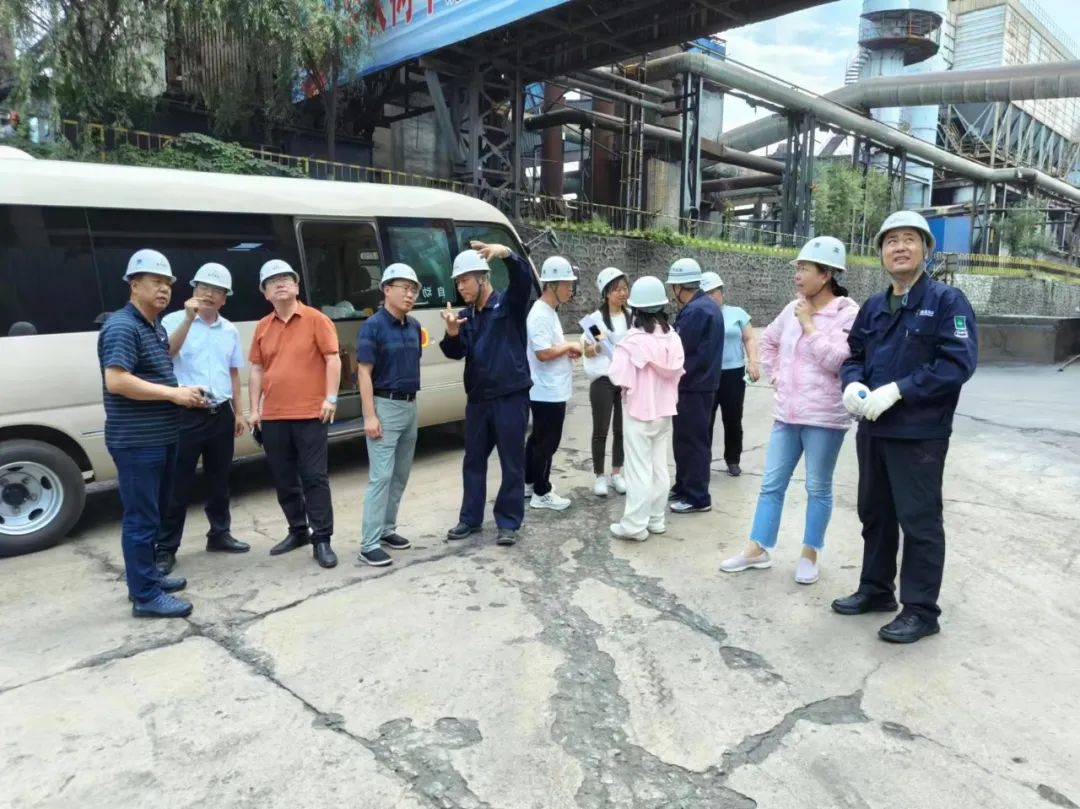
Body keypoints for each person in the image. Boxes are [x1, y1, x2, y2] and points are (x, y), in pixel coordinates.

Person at [834, 211, 978, 644]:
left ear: (926, 250)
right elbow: (855, 353)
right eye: (891, 240)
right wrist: (852, 383)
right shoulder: (874, 307)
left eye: (909, 239)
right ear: (881, 252)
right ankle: (877, 589)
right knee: (875, 513)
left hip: (919, 433)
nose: (899, 247)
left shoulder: (947, 302)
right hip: (874, 427)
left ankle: (920, 610)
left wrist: (901, 389)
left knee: (919, 521)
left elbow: (957, 363)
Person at [718, 237, 858, 585]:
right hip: (787, 415)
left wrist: (809, 325)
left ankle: (810, 554)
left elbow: (838, 360)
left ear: (826, 274)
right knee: (771, 484)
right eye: (797, 268)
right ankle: (757, 548)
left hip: (824, 418)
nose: (797, 275)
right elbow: (768, 341)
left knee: (818, 487)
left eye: (804, 269)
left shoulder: (847, 313)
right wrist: (778, 376)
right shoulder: (792, 307)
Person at [97, 249, 208, 618]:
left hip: (161, 436)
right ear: (134, 285)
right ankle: (144, 596)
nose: (164, 289)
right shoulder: (122, 327)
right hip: (137, 441)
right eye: (156, 282)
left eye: (168, 284)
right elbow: (117, 381)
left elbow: (164, 355)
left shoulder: (152, 325)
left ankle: (148, 578)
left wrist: (188, 322)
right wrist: (174, 394)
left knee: (155, 514)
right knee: (141, 519)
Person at [155, 263, 250, 574]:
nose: (209, 294)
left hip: (220, 413)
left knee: (219, 480)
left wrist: (239, 412)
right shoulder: (172, 321)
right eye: (203, 287)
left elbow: (232, 373)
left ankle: (220, 534)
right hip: (185, 414)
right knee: (177, 484)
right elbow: (166, 354)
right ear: (193, 290)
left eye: (217, 290)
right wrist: (188, 319)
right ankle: (166, 548)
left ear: (225, 298)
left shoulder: (229, 330)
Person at [248, 259, 341, 569]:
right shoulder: (262, 326)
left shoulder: (316, 319)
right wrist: (254, 409)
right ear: (264, 293)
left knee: (314, 477)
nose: (280, 283)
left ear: (297, 286)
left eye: (286, 278)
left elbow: (332, 359)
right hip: (273, 416)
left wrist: (330, 398)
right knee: (284, 479)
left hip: (311, 413)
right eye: (272, 281)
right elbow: (257, 369)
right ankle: (298, 530)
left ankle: (322, 539)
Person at [440, 241, 534, 546]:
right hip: (479, 400)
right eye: (457, 282)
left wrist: (506, 254)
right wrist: (452, 334)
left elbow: (522, 280)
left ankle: (508, 522)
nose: (460, 287)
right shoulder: (466, 316)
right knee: (474, 461)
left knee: (511, 462)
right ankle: (470, 518)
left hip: (510, 396)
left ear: (483, 278)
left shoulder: (508, 305)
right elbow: (457, 352)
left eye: (465, 280)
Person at [355, 263, 423, 567]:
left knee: (400, 474)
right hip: (385, 405)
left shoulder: (414, 326)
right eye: (404, 288)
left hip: (410, 405)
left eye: (414, 290)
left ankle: (387, 529)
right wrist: (370, 416)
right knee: (381, 477)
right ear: (386, 290)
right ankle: (369, 544)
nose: (410, 295)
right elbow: (364, 372)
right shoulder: (373, 326)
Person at [607, 276, 685, 540]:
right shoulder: (673, 337)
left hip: (638, 411)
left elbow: (616, 376)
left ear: (637, 308)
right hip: (665, 411)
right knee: (659, 467)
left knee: (638, 469)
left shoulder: (632, 340)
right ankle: (656, 519)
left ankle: (634, 526)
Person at [666, 257, 725, 514]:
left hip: (693, 385)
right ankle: (684, 485)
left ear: (679, 287)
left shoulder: (696, 311)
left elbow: (678, 348)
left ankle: (697, 496)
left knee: (693, 442)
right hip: (699, 385)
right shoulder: (707, 306)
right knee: (686, 440)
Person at [525, 256, 581, 512]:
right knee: (547, 442)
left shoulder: (549, 312)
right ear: (551, 285)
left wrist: (565, 349)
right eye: (567, 284)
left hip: (550, 387)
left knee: (538, 439)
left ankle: (530, 481)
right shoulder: (540, 314)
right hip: (546, 390)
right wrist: (569, 346)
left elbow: (551, 348)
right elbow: (543, 353)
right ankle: (541, 491)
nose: (571, 289)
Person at [701, 272, 760, 477]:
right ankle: (702, 460)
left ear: (722, 292)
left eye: (714, 292)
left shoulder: (737, 313)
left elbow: (749, 338)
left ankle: (733, 459)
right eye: (706, 294)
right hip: (708, 373)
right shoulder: (700, 315)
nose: (711, 297)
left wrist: (753, 362)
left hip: (733, 373)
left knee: (733, 418)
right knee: (706, 419)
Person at [582, 266, 631, 497]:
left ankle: (617, 474)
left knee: (621, 429)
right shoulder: (595, 320)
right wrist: (597, 347)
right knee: (600, 429)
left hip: (626, 379)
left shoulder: (632, 317)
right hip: (603, 379)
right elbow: (586, 350)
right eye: (617, 289)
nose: (622, 293)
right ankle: (599, 476)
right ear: (606, 293)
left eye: (625, 288)